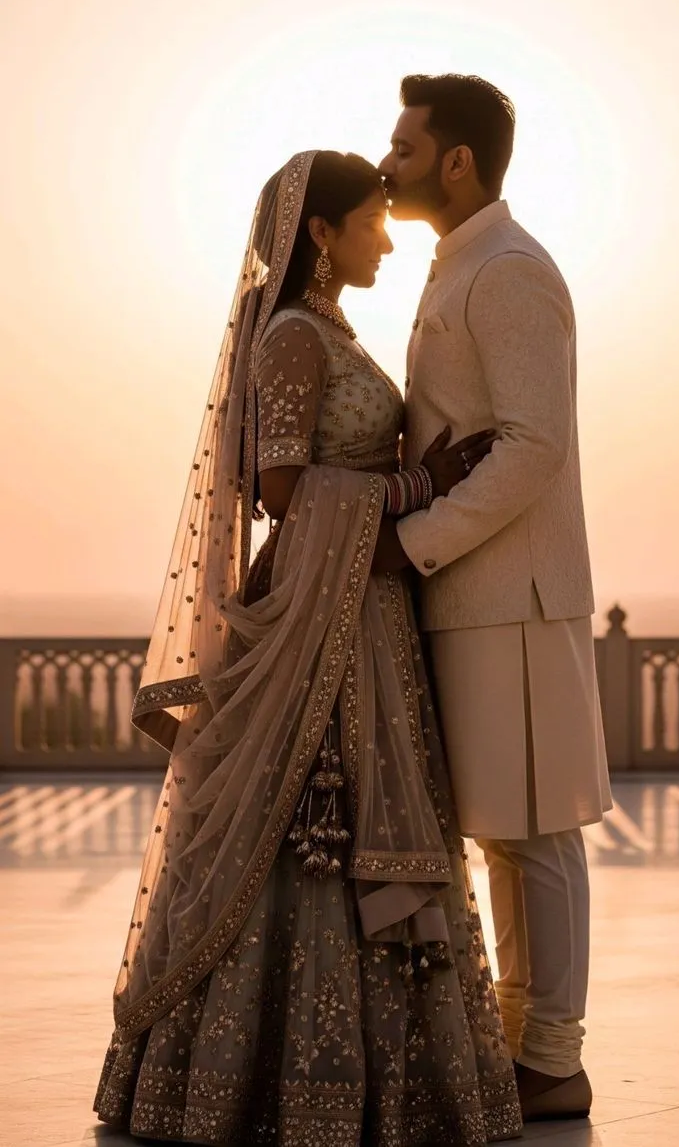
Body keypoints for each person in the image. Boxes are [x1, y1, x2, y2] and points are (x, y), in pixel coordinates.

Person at [93, 148, 522, 1145]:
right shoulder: (292, 334)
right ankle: (266, 1083)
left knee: (359, 819)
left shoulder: (331, 329)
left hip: (365, 617)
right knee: (306, 821)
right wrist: (419, 489)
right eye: (370, 218)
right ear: (319, 236)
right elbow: (281, 488)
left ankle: (386, 1079)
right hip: (323, 624)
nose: (385, 233)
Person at [379, 76, 613, 1123]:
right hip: (469, 597)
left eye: (404, 145)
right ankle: (520, 1046)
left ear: (457, 159)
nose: (387, 162)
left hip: (509, 597)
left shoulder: (509, 272)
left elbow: (531, 448)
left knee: (538, 833)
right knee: (501, 834)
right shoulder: (457, 265)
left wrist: (413, 540)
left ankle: (554, 1058)